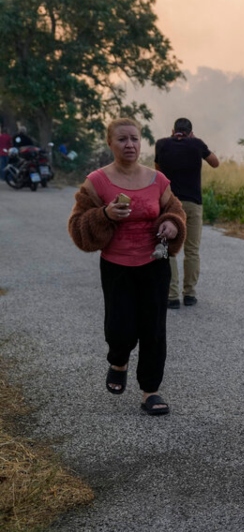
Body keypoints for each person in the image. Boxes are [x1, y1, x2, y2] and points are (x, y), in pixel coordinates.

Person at [68, 118, 187, 416]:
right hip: (116, 266)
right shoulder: (96, 181)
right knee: (120, 328)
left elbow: (175, 211)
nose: (130, 145)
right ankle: (118, 361)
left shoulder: (157, 180)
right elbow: (77, 226)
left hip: (155, 264)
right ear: (110, 143)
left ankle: (150, 391)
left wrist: (172, 224)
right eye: (122, 139)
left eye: (134, 138)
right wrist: (105, 215)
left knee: (153, 329)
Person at [154, 117, 220, 309]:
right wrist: (195, 143)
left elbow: (158, 171)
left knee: (168, 248)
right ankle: (190, 294)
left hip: (169, 204)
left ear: (172, 130)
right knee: (192, 250)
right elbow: (215, 163)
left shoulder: (162, 144)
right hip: (193, 204)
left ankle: (172, 296)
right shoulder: (196, 144)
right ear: (191, 132)